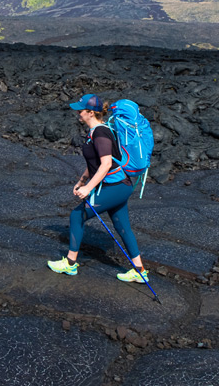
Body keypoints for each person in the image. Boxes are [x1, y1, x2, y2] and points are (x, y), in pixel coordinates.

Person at [47, 93, 148, 283]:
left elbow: (105, 164)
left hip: (116, 186)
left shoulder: (101, 133)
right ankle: (140, 271)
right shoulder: (96, 131)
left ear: (91, 113)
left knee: (77, 215)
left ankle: (70, 264)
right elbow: (94, 162)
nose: (78, 113)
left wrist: (88, 189)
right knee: (122, 225)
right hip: (119, 185)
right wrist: (83, 180)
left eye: (81, 110)